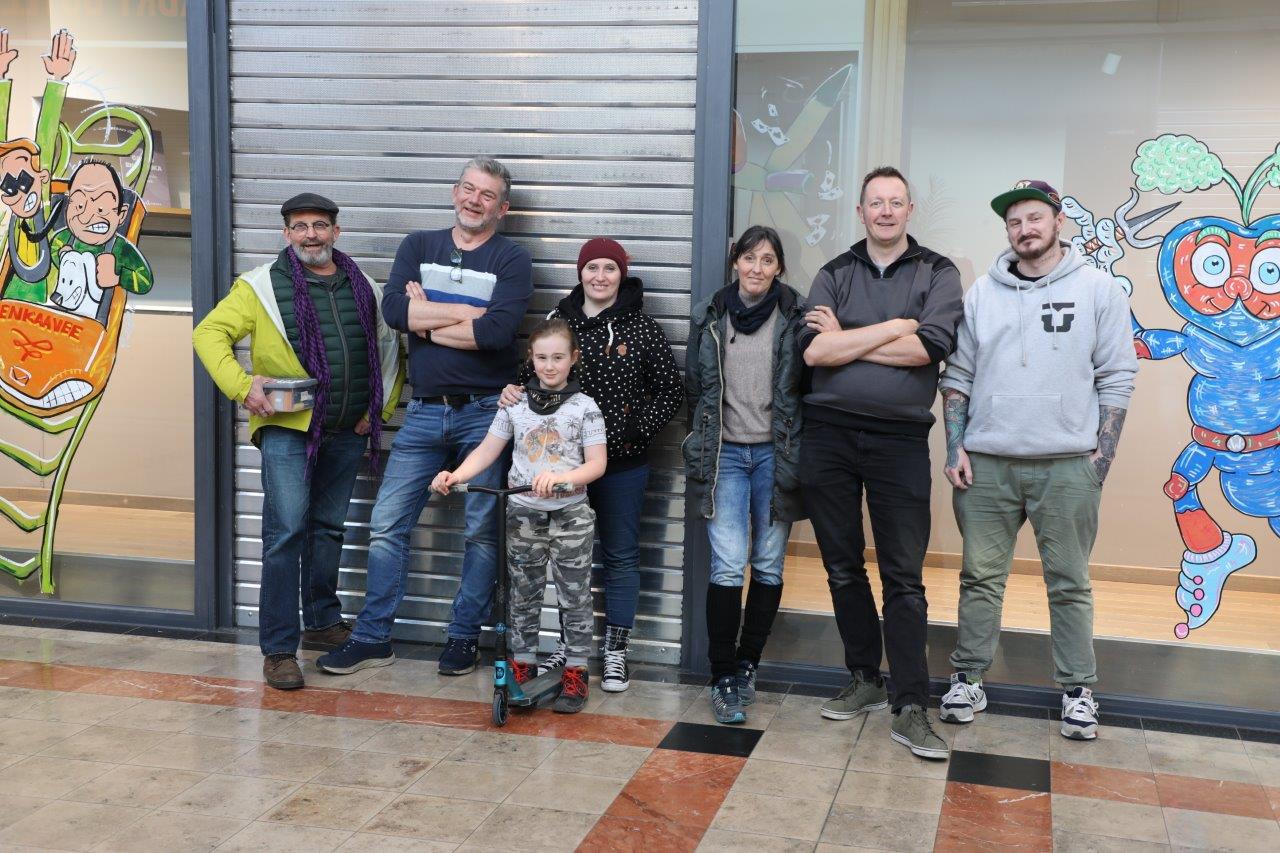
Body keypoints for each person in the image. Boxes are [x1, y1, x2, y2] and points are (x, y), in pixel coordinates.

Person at [317, 157, 533, 677]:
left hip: (487, 414)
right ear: (455, 192)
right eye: (468, 188)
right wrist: (464, 313)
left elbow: (497, 334)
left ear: (502, 208)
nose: (474, 200)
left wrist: (427, 316)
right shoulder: (418, 246)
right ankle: (373, 637)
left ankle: (463, 638)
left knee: (481, 531)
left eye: (487, 195)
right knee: (387, 524)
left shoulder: (512, 259)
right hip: (422, 413)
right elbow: (394, 312)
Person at [938, 180, 1137, 740]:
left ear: (1057, 221)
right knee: (980, 578)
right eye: (1014, 222)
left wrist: (1100, 459)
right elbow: (957, 376)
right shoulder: (982, 293)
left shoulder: (1098, 289)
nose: (1024, 229)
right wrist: (955, 447)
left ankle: (1078, 690)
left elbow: (1117, 375)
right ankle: (968, 678)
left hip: (1067, 466)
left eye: (1034, 218)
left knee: (1069, 581)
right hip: (987, 465)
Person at [193, 192, 402, 690]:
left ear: (336, 232)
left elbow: (389, 346)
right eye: (301, 226)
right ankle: (280, 648)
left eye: (321, 225)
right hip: (289, 429)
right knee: (285, 533)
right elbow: (209, 333)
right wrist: (243, 387)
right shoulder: (261, 286)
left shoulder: (362, 284)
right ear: (286, 234)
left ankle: (323, 621)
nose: (312, 235)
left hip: (345, 430)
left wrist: (377, 411)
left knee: (327, 529)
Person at [798, 166, 963, 759]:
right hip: (829, 437)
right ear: (861, 211)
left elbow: (929, 349)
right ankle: (865, 678)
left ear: (910, 209)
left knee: (903, 576)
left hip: (900, 441)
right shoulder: (834, 271)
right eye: (876, 203)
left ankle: (911, 704)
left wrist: (849, 338)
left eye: (896, 202)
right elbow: (815, 351)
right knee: (842, 567)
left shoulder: (938, 272)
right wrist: (895, 327)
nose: (886, 211)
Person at [499, 237, 680, 692]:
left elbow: (670, 391)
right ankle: (570, 646)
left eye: (609, 268)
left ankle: (615, 650)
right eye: (592, 267)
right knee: (566, 562)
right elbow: (530, 375)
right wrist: (512, 391)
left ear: (622, 273)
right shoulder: (558, 321)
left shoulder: (642, 328)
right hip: (559, 469)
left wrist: (633, 430)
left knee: (619, 554)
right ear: (580, 272)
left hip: (620, 465)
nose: (600, 276)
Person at [433, 318, 606, 713]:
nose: (550, 366)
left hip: (571, 515)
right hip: (523, 514)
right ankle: (523, 665)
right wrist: (455, 475)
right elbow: (487, 449)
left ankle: (576, 670)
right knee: (522, 595)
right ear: (531, 358)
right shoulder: (514, 404)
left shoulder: (585, 408)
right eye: (542, 358)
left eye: (558, 358)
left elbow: (597, 464)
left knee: (575, 596)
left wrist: (562, 480)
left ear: (574, 358)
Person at [685, 225, 806, 724]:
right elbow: (696, 388)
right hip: (727, 457)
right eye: (749, 258)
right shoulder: (709, 315)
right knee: (728, 566)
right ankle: (722, 676)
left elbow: (807, 387)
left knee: (769, 563)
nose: (757, 268)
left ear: (779, 268)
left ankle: (747, 663)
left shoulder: (796, 317)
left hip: (777, 456)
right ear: (735, 261)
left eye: (768, 260)